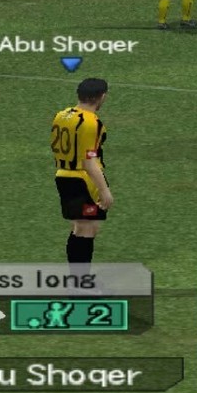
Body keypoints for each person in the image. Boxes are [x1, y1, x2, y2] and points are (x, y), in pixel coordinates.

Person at [52, 78, 113, 268]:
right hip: (82, 180)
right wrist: (104, 190)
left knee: (81, 227)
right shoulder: (91, 123)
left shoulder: (62, 115)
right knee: (86, 229)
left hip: (63, 176)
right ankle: (80, 281)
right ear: (102, 96)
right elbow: (89, 161)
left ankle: (79, 279)